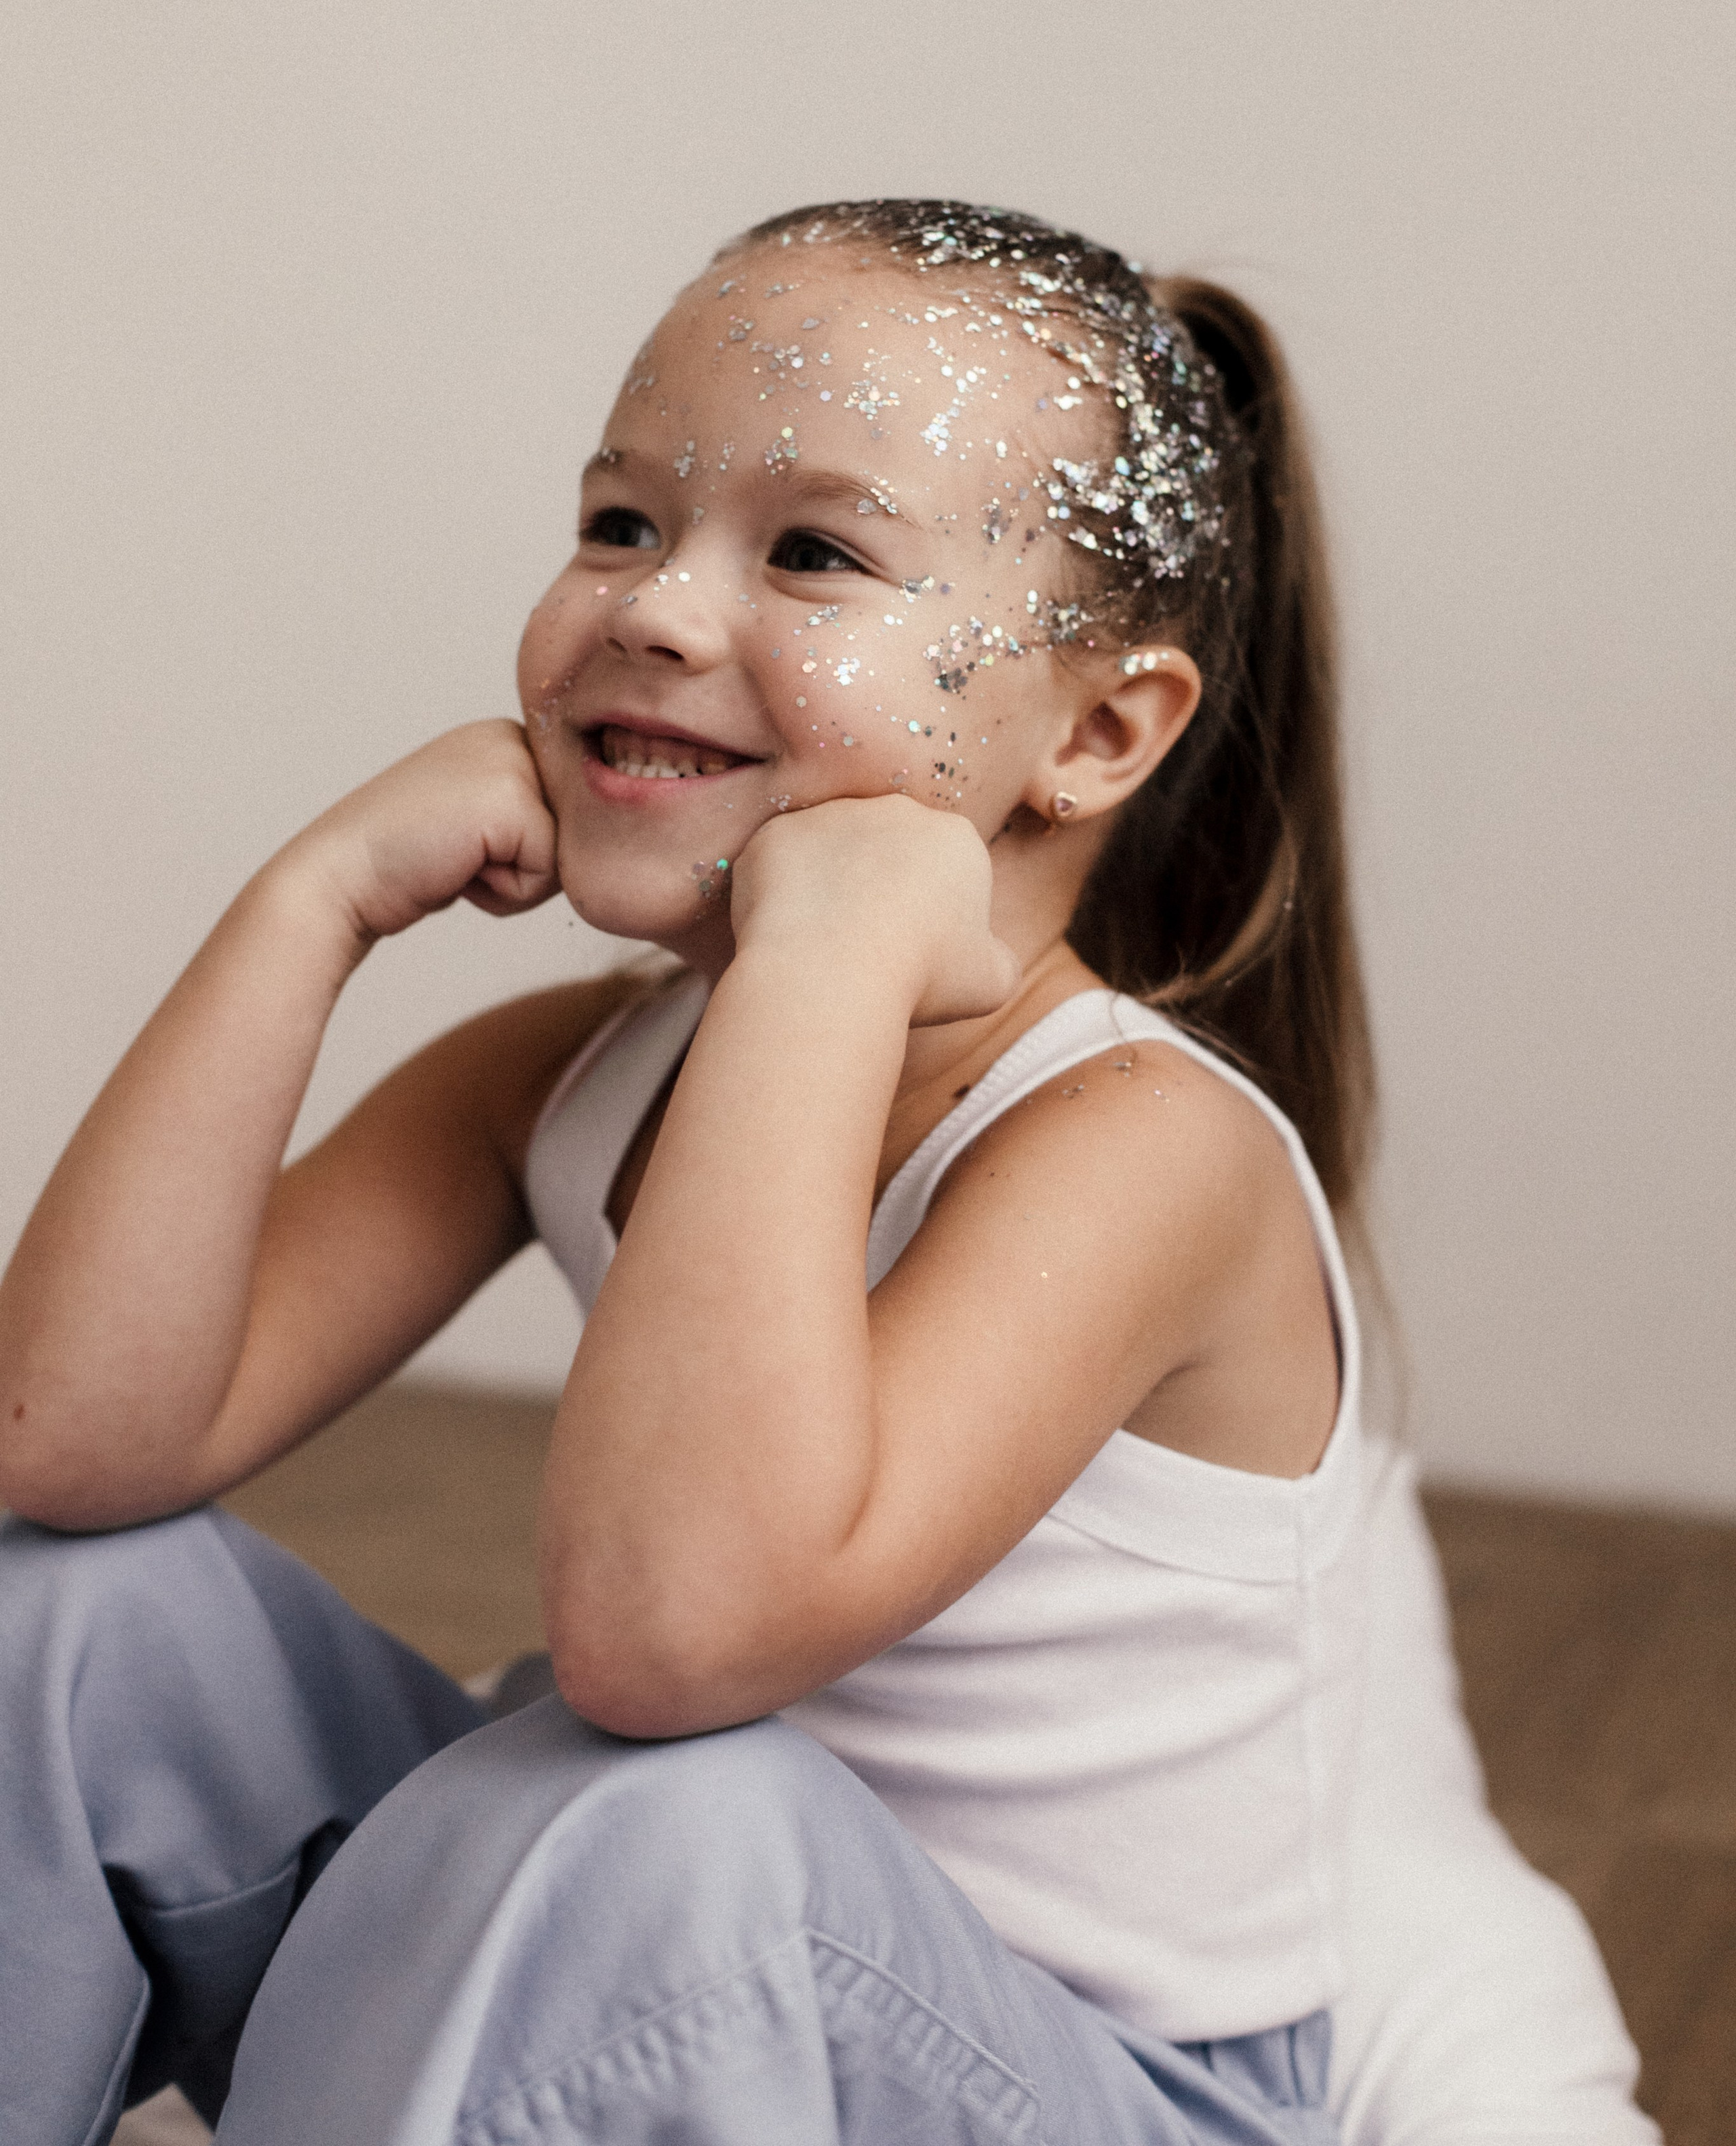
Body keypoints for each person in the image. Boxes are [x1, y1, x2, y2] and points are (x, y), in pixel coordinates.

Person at [0, 203, 1647, 2146]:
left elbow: (671, 1638)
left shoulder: (1142, 1149)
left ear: (1103, 733)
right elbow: (65, 1438)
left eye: (812, 553)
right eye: (620, 522)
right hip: (659, 1983)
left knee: (672, 1807)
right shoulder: (584, 1074)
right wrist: (311, 905)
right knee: (63, 1607)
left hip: (1079, 2086)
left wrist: (830, 958)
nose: (660, 611)